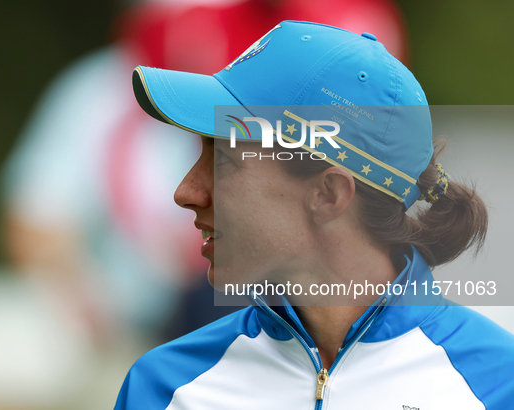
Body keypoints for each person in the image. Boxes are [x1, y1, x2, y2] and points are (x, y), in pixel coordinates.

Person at [116, 21, 514, 409]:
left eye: (224, 160)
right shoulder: (165, 388)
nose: (186, 192)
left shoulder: (499, 385)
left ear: (329, 195)